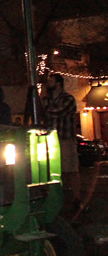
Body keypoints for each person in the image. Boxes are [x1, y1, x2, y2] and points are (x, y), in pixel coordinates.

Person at [43, 73, 80, 210]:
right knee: (54, 169)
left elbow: (55, 112)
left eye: (51, 81)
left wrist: (46, 110)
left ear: (58, 83)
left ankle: (76, 198)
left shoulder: (68, 99)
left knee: (70, 169)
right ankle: (57, 198)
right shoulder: (47, 99)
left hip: (65, 138)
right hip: (50, 139)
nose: (48, 84)